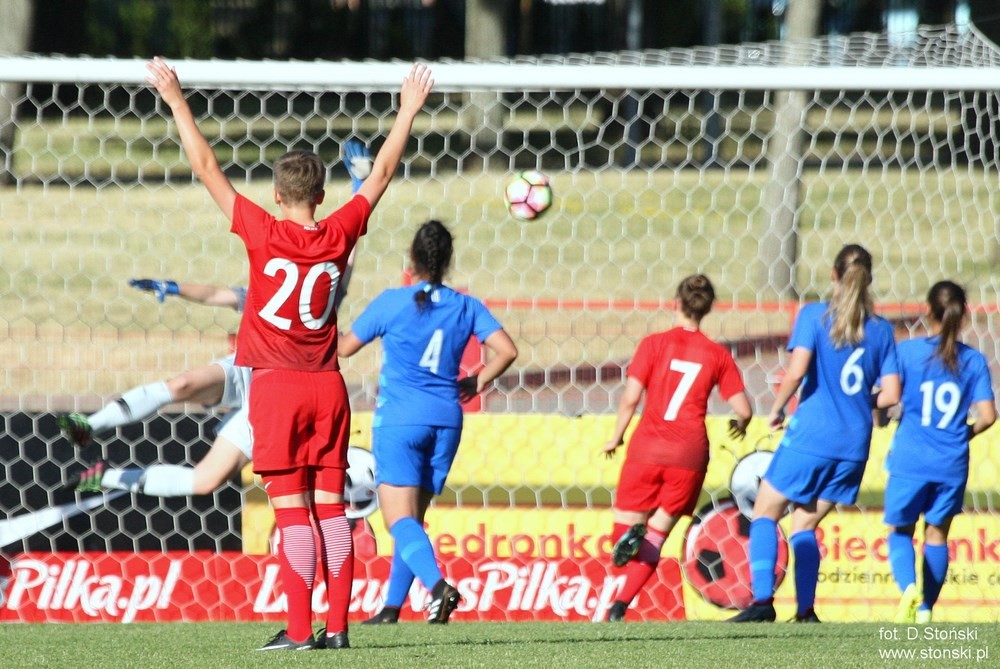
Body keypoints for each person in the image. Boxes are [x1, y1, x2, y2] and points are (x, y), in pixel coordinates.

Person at [145, 56, 433, 651]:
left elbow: (204, 167)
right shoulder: (340, 231)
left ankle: (299, 631)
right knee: (333, 511)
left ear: (277, 195)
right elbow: (377, 174)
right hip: (328, 387)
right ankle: (339, 631)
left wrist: (175, 99)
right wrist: (406, 110)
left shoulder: (262, 230)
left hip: (275, 387)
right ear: (323, 196)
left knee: (291, 513)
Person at [60, 143, 373, 499]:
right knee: (183, 384)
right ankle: (89, 424)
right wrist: (173, 287)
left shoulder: (329, 273)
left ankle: (106, 478)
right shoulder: (275, 267)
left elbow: (347, 248)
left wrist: (359, 188)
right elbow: (218, 295)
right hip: (254, 369)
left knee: (206, 481)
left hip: (287, 396)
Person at [338, 219, 518, 625]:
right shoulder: (466, 305)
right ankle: (390, 609)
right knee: (414, 519)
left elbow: (345, 349)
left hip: (401, 420)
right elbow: (507, 350)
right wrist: (476, 380)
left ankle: (438, 588)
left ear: (411, 258)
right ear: (447, 261)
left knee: (397, 521)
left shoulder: (391, 301)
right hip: (446, 420)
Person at [729, 243, 901, 623]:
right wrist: (864, 406)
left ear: (834, 276)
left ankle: (761, 604)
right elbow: (891, 393)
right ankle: (805, 611)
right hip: (854, 446)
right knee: (804, 523)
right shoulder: (882, 331)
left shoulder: (813, 316)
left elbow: (796, 370)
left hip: (812, 436)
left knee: (764, 512)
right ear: (869, 280)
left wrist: (776, 409)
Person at [600, 274, 753, 622]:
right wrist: (740, 425)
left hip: (648, 447)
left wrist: (616, 436)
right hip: (689, 454)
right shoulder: (717, 355)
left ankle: (629, 538)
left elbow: (630, 398)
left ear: (676, 303)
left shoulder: (653, 344)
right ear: (709, 308)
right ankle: (620, 606)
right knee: (658, 534)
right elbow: (744, 409)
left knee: (622, 534)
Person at [884, 280, 995, 623]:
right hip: (951, 463)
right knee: (937, 534)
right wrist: (964, 433)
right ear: (963, 316)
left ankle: (907, 589)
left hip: (910, 459)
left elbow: (888, 396)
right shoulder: (973, 361)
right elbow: (989, 416)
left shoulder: (907, 352)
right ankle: (925, 610)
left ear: (927, 310)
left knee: (901, 531)